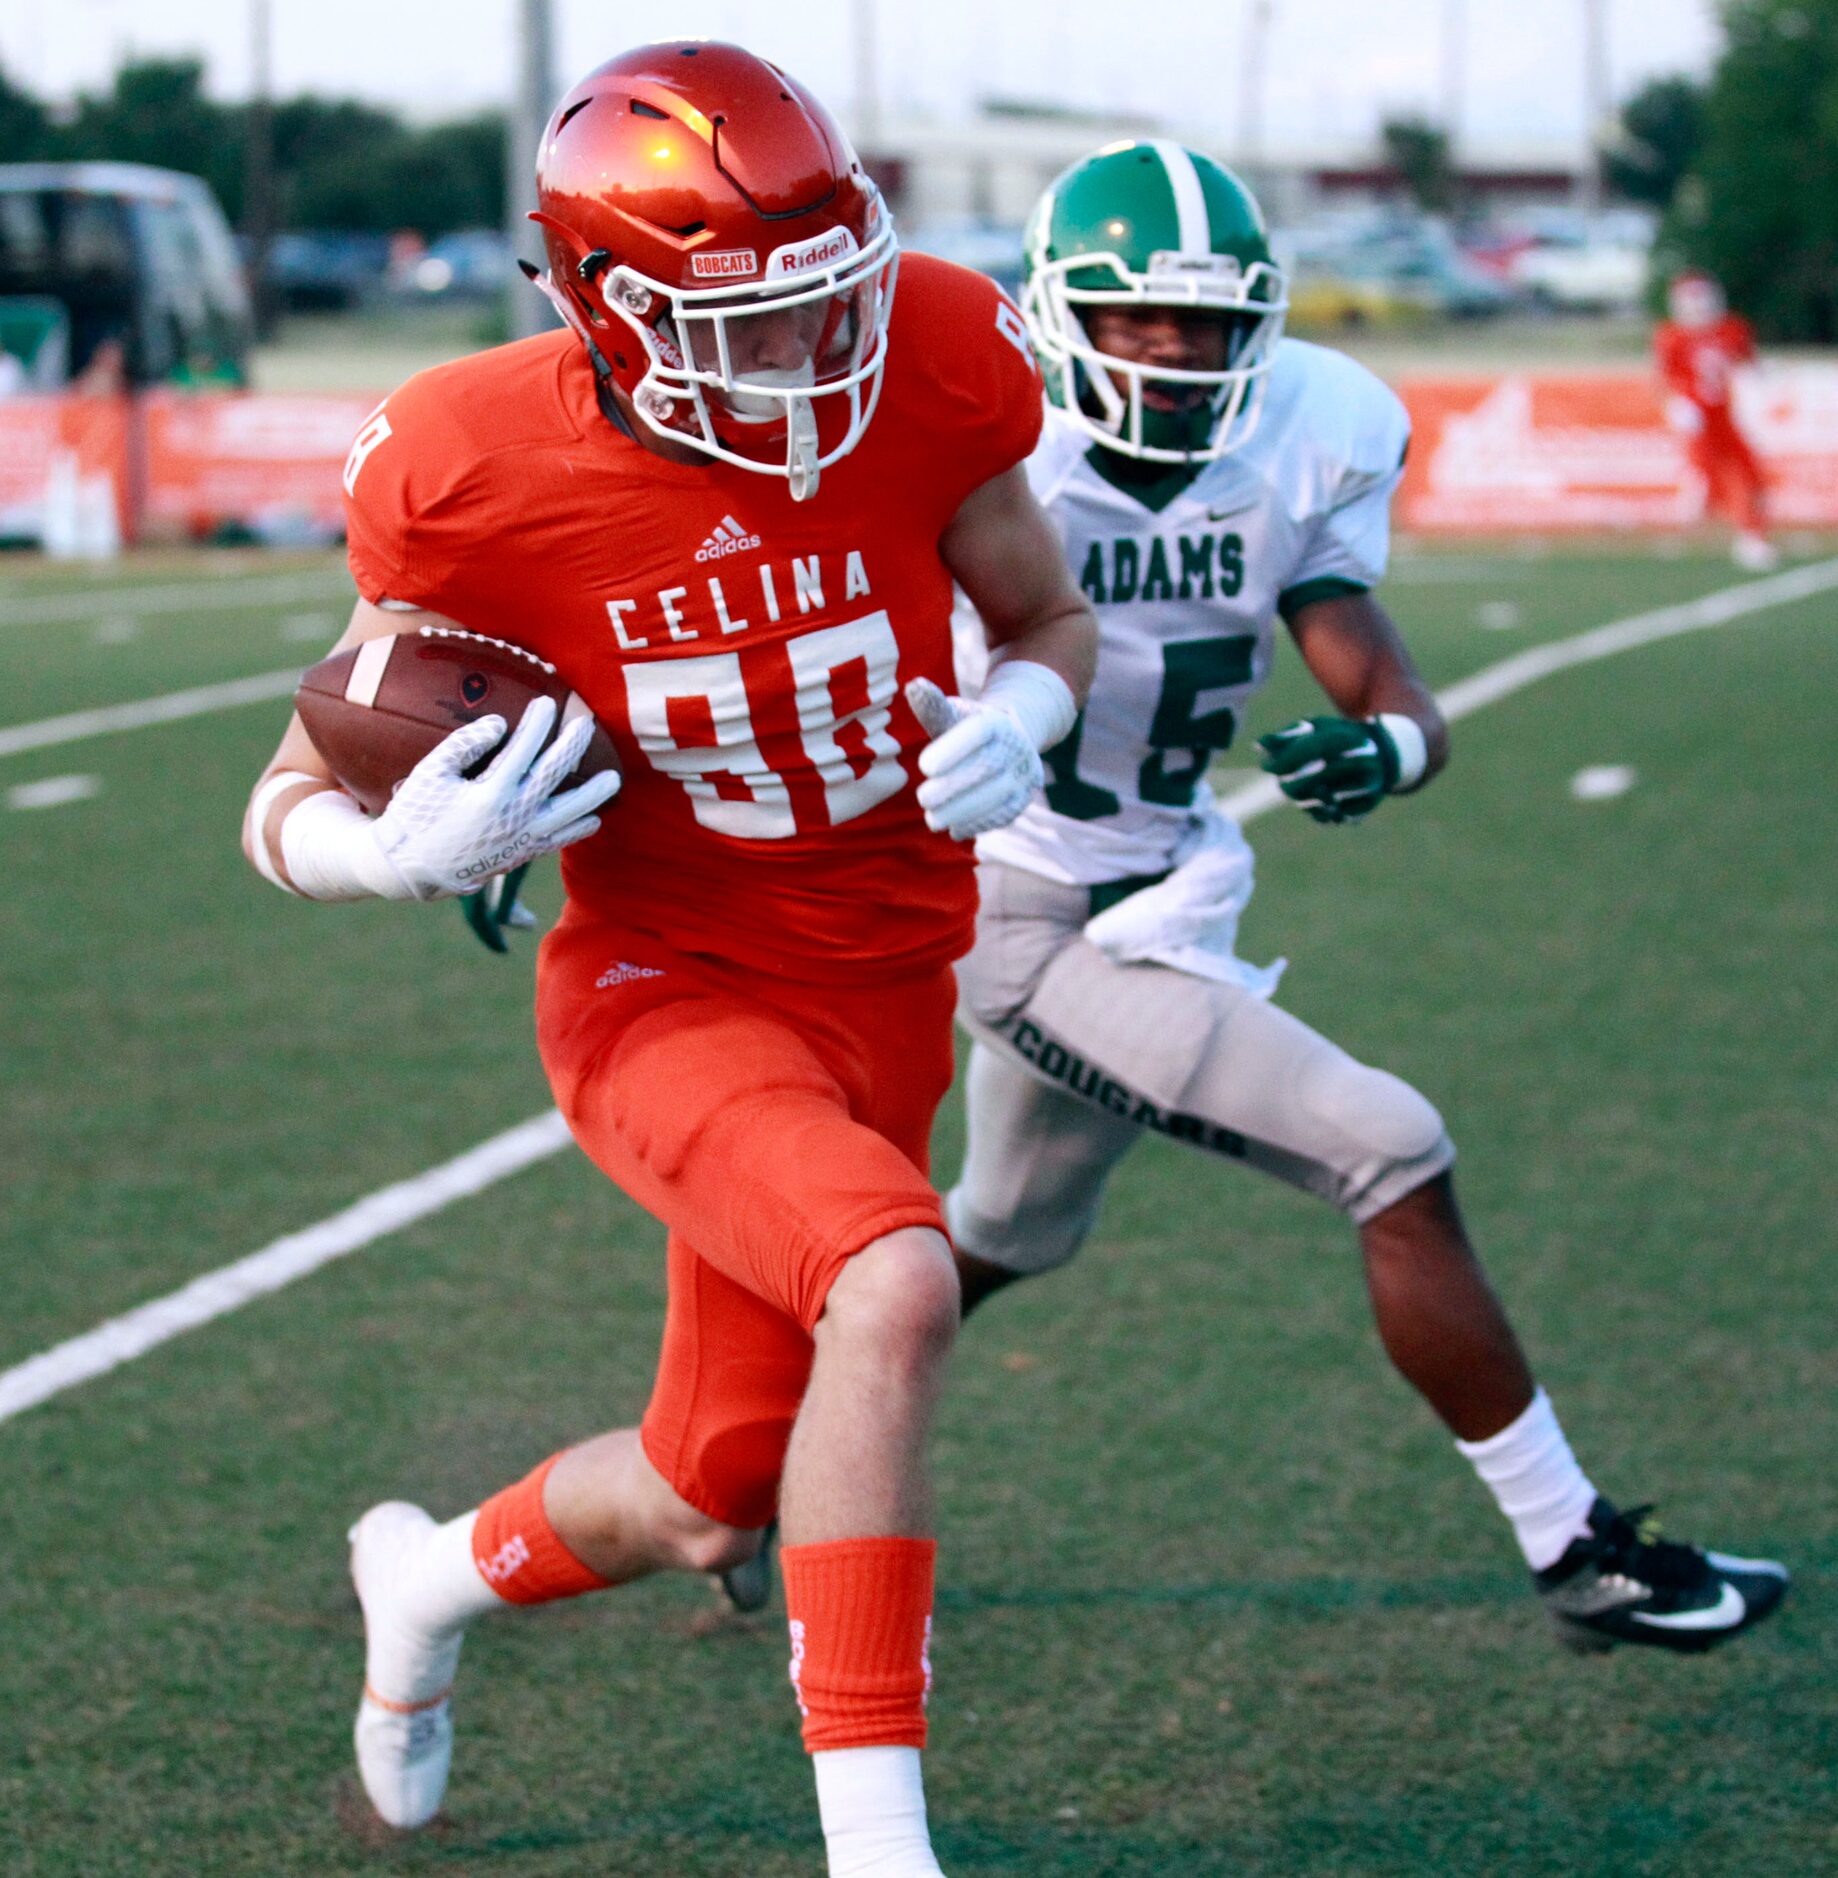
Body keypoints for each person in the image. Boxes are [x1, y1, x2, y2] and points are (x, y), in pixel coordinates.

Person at [240, 44, 1096, 1876]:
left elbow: (1041, 608)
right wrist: (382, 850)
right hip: (663, 990)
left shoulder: (931, 357)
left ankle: (423, 1577)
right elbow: (285, 791)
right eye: (754, 324)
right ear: (602, 306)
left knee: (713, 1490)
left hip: (885, 979)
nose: (811, 360)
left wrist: (1026, 708)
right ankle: (880, 1845)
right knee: (895, 1276)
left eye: (828, 302)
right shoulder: (474, 464)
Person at [938, 142, 1788, 1656]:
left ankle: (736, 1476)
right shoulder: (978, 454)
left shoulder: (1304, 429)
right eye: (1137, 318)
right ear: (1055, 311)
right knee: (1389, 1146)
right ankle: (1575, 1550)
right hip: (1016, 912)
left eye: (1206, 322)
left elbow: (1373, 663)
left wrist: (1384, 741)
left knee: (999, 1234)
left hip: (1161, 892)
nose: (1175, 352)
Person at [1655, 269, 1777, 571]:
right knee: (1719, 477)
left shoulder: (1731, 329)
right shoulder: (1672, 336)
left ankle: (1744, 531)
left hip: (1725, 415)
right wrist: (1677, 404)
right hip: (1698, 419)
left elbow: (1750, 362)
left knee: (1749, 475)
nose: (1697, 307)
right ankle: (1746, 534)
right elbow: (1662, 379)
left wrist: (1764, 383)